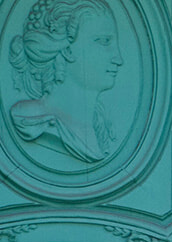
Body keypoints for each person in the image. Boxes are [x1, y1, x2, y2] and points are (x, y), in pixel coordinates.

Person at [8, 0, 124, 165]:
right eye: (104, 41)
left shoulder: (101, 130)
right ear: (67, 49)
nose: (118, 59)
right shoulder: (30, 120)